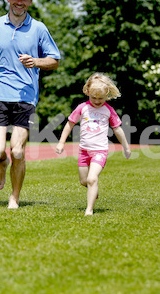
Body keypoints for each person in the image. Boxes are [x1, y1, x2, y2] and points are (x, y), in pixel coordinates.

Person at [0, 0, 61, 209]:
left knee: (18, 150)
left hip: (26, 97)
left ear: (30, 2)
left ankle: (14, 197)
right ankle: (1, 164)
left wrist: (36, 62)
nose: (19, 2)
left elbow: (55, 60)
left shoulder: (38, 28)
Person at [55, 73, 131, 216]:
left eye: (100, 98)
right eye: (93, 97)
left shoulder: (108, 110)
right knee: (84, 181)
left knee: (92, 178)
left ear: (107, 95)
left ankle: (89, 210)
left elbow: (118, 130)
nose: (97, 101)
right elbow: (69, 124)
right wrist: (61, 143)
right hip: (84, 151)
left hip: (100, 151)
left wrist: (126, 147)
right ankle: (93, 188)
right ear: (87, 92)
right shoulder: (82, 108)